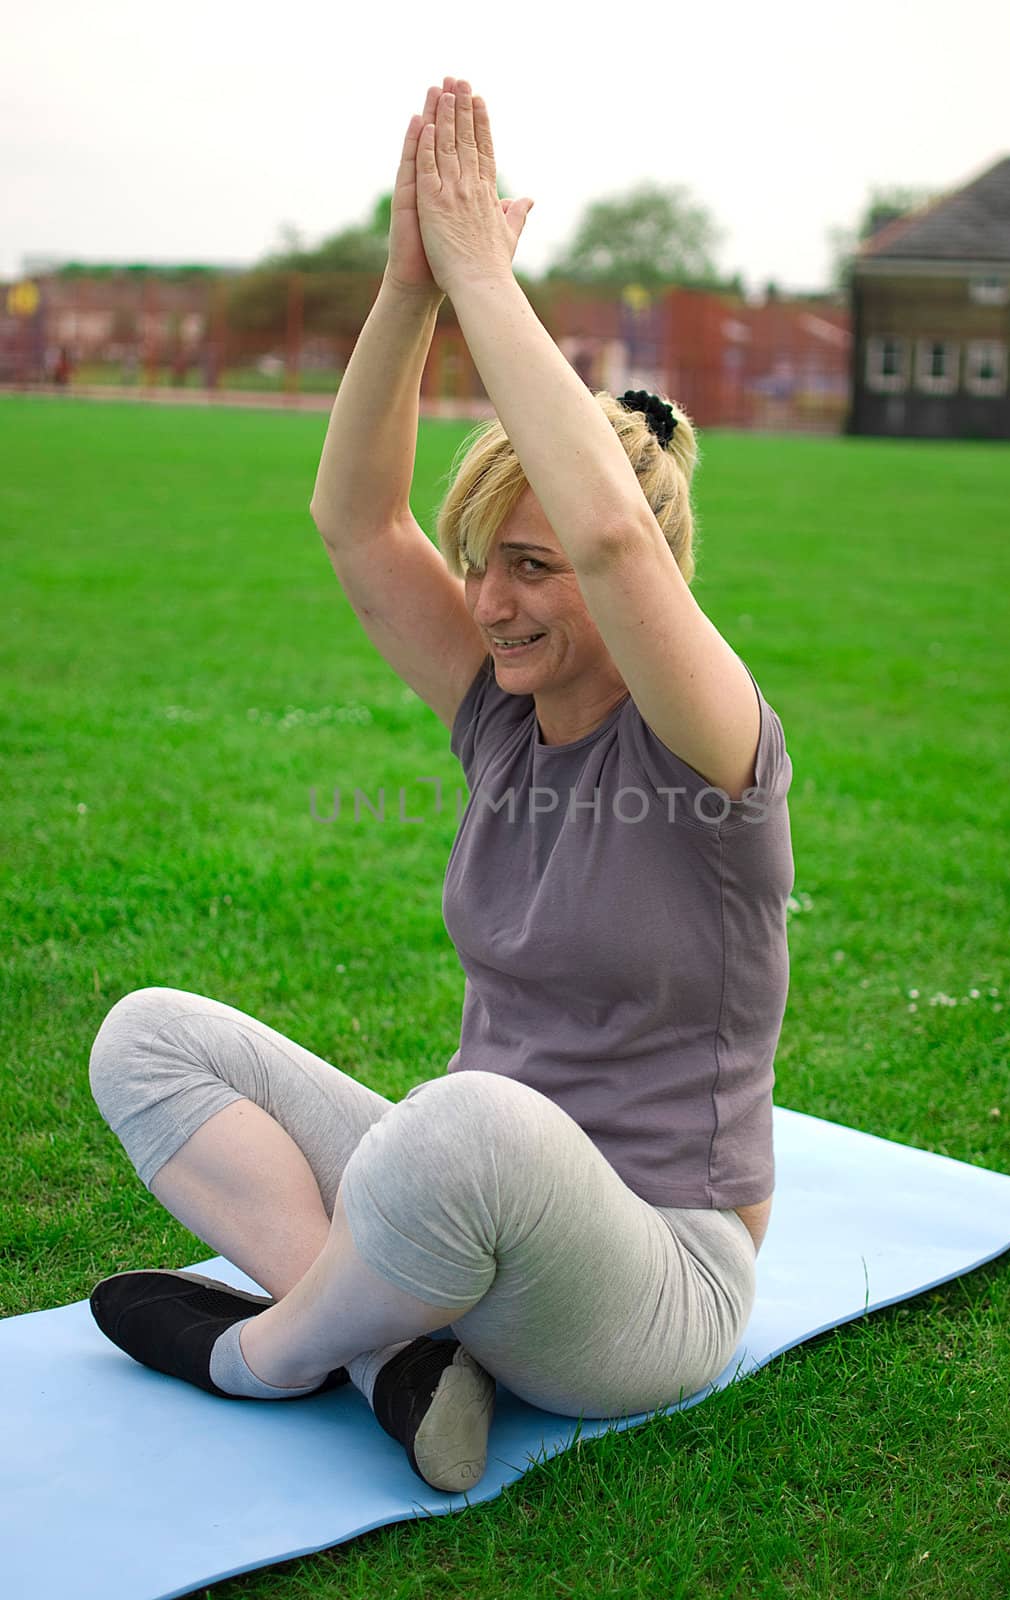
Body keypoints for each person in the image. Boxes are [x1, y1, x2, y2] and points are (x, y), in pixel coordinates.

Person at [86, 76, 794, 1496]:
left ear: (623, 591)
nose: (491, 601)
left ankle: (271, 1354)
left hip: (653, 1275)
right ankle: (398, 1357)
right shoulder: (499, 717)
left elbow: (611, 532)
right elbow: (354, 519)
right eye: (483, 562)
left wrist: (486, 280)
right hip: (467, 1205)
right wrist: (410, 288)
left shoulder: (718, 750)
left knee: (460, 1123)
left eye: (528, 569)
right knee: (149, 1038)